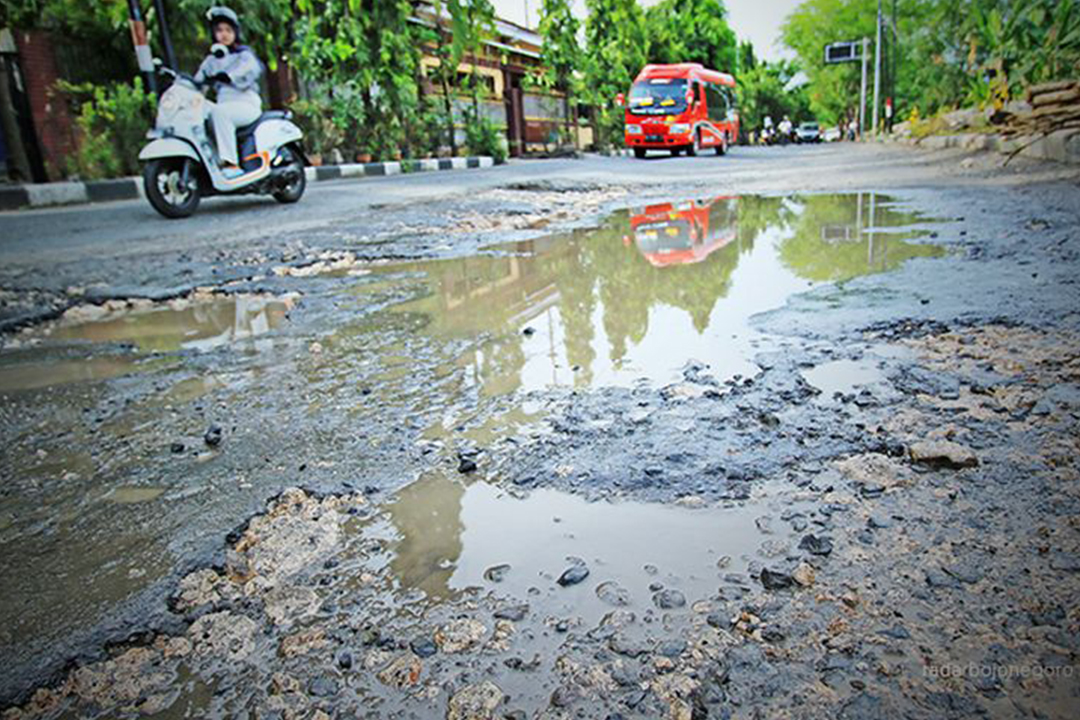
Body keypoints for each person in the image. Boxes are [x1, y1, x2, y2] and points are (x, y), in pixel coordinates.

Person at [194, 7, 263, 176]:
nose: (224, 34)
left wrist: (229, 76)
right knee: (199, 111)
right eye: (219, 30)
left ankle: (231, 164)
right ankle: (206, 163)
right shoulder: (211, 60)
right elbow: (198, 82)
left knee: (219, 113)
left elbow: (250, 69)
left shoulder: (244, 54)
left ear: (235, 33)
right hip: (224, 105)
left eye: (228, 30)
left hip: (246, 103)